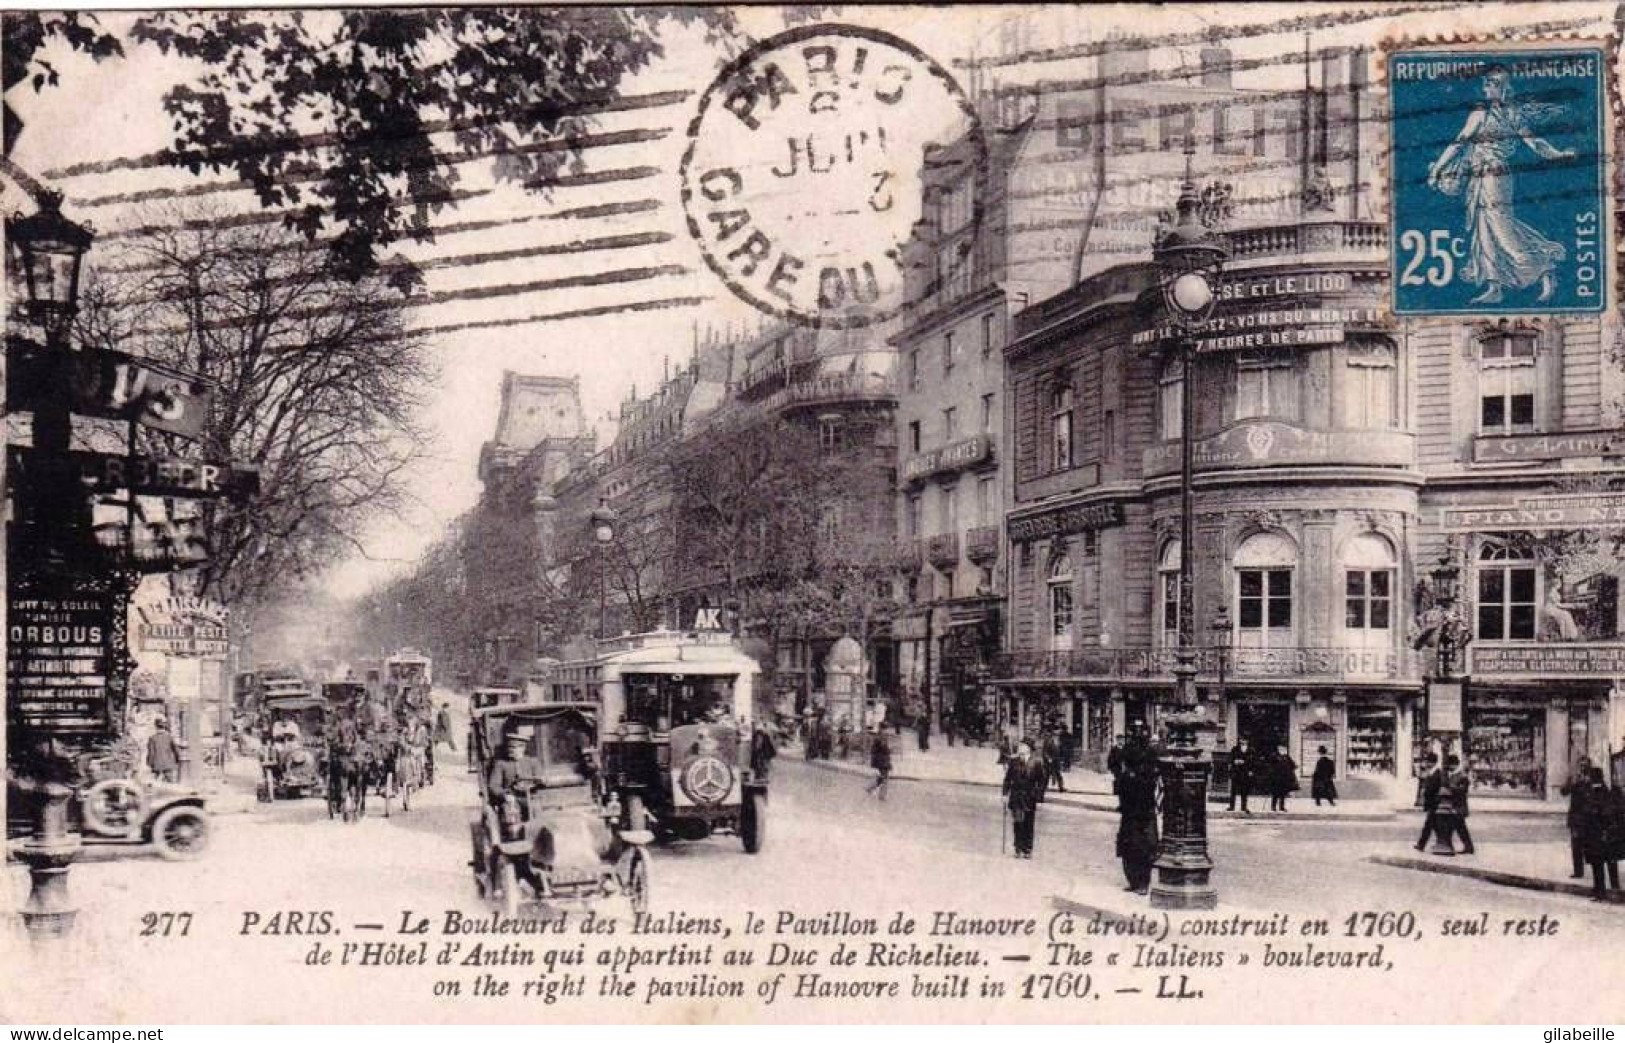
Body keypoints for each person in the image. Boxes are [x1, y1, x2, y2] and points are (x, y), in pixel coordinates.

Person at [1427, 66, 1575, 305]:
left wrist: (1437, 169)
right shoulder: (1493, 114)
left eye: (1491, 84)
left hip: (1494, 175)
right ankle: (1494, 286)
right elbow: (1461, 143)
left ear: (1503, 88)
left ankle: (1544, 267)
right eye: (1485, 83)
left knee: (1500, 226)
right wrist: (1557, 154)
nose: (1486, 88)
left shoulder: (1497, 115)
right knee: (1483, 228)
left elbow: (1460, 144)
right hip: (1483, 175)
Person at [1116, 727, 1159, 893]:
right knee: (1131, 847)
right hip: (1133, 814)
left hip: (1141, 815)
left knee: (1141, 848)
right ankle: (1135, 881)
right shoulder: (1130, 776)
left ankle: (1141, 883)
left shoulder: (1143, 774)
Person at [1576, 766, 1619, 900]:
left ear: (1592, 778)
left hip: (1596, 835)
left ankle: (1600, 892)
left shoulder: (1595, 793)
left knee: (1598, 864)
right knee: (1606, 862)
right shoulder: (1604, 791)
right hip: (1601, 834)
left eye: (1589, 776)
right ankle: (1611, 888)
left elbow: (1598, 812)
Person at [1002, 739, 1046, 859]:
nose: (1020, 747)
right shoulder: (1014, 761)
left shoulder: (1037, 761)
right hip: (1016, 797)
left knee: (1028, 823)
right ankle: (1018, 848)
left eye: (1023, 746)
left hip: (1030, 797)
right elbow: (1007, 779)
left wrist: (1040, 798)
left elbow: (1042, 781)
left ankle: (1027, 849)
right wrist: (1005, 795)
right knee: (1018, 822)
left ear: (1028, 748)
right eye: (1020, 745)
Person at [1562, 758, 1594, 879]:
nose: (1582, 768)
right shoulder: (1574, 778)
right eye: (1580, 765)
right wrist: (1571, 782)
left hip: (1590, 818)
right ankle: (1578, 871)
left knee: (1591, 846)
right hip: (1576, 818)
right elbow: (1564, 792)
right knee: (1576, 845)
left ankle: (1595, 870)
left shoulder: (1593, 778)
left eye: (1585, 766)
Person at [1414, 753, 1443, 852]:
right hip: (1431, 803)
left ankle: (1421, 845)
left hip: (1434, 803)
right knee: (1434, 826)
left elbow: (1434, 788)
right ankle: (1441, 842)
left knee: (1429, 825)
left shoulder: (1437, 773)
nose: (1427, 764)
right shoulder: (1431, 772)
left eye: (1429, 762)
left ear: (1433, 762)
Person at [146, 717, 181, 783]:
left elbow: (151, 753)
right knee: (170, 782)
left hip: (156, 763)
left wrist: (149, 763)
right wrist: (177, 759)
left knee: (154, 783)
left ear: (155, 726)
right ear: (164, 726)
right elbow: (176, 749)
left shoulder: (152, 738)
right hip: (168, 763)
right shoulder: (169, 737)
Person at [864, 727, 892, 801]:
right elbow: (874, 752)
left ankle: (870, 787)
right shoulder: (878, 741)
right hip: (881, 763)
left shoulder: (883, 740)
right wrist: (874, 764)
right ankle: (881, 795)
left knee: (882, 778)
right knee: (884, 779)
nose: (886, 733)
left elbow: (886, 752)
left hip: (885, 762)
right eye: (885, 731)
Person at [1227, 738, 1253, 814]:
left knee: (1244, 791)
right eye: (1242, 741)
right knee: (1233, 790)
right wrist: (1235, 761)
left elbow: (1252, 761)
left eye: (1245, 741)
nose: (1243, 742)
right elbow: (1231, 759)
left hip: (1245, 773)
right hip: (1236, 772)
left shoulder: (1250, 750)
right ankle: (1232, 806)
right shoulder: (1235, 749)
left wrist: (1250, 769)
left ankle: (1244, 807)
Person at [1269, 745, 1297, 812]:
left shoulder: (1286, 757)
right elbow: (1271, 765)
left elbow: (1292, 765)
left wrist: (1294, 766)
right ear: (1278, 749)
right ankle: (1273, 807)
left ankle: (1282, 807)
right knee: (1275, 793)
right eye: (1282, 749)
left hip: (1284, 778)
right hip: (1276, 778)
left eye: (1284, 749)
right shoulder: (1274, 756)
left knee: (1283, 793)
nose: (1283, 750)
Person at [1042, 729, 1066, 793]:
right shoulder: (1048, 741)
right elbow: (1045, 751)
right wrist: (1048, 758)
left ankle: (1061, 787)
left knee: (1058, 774)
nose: (1057, 737)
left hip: (1056, 761)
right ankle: (1043, 787)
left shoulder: (1060, 742)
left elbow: (1061, 752)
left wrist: (1062, 759)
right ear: (1053, 735)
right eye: (1056, 735)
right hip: (1048, 761)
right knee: (1046, 775)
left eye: (1058, 735)